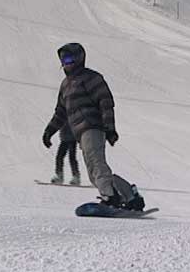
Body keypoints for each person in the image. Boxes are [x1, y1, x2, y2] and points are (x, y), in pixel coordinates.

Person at [42, 42, 145, 211]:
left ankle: (111, 197)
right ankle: (130, 195)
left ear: (79, 59)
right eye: (63, 60)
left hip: (93, 127)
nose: (66, 64)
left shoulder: (91, 78)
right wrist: (49, 131)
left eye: (69, 59)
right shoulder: (65, 85)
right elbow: (60, 112)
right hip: (80, 133)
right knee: (94, 172)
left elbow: (105, 102)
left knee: (97, 165)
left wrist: (110, 128)